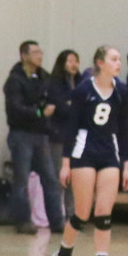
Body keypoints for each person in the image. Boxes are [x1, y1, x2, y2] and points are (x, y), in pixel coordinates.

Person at [53, 45, 128, 256]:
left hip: (109, 152)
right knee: (82, 213)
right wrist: (65, 163)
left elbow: (125, 130)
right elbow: (71, 128)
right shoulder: (83, 91)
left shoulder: (122, 91)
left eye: (119, 59)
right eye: (113, 59)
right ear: (100, 63)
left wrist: (127, 165)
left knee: (104, 213)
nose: (118, 63)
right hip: (84, 151)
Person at [4, 40, 65, 235]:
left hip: (41, 134)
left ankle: (57, 222)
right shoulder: (15, 81)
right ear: (24, 56)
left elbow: (52, 97)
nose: (40, 56)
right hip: (21, 134)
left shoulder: (44, 77)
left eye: (40, 52)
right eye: (35, 52)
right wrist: (39, 112)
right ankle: (23, 221)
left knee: (50, 179)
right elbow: (15, 108)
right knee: (21, 180)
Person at [47, 49, 83, 219]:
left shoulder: (82, 83)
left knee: (75, 179)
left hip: (77, 137)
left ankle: (72, 215)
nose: (73, 64)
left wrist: (71, 105)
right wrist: (73, 107)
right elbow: (60, 107)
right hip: (59, 135)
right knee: (59, 176)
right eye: (69, 61)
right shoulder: (55, 83)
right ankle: (57, 215)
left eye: (76, 61)